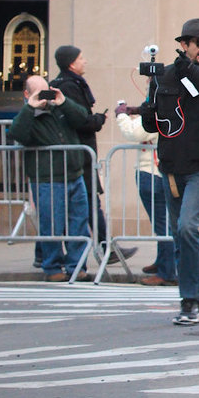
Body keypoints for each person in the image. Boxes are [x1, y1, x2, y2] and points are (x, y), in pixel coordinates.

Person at [139, 17, 199, 326]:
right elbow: (151, 125)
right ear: (184, 44)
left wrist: (192, 70)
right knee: (179, 235)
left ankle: (193, 299)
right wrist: (147, 107)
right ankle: (192, 301)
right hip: (171, 166)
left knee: (187, 228)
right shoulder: (165, 77)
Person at [52, 45, 137, 267]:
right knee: (87, 203)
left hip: (79, 152)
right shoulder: (69, 86)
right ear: (71, 63)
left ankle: (102, 247)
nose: (85, 61)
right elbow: (78, 118)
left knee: (84, 203)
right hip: (78, 153)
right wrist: (96, 121)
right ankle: (102, 248)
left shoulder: (66, 84)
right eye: (81, 58)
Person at [8, 75, 92, 282]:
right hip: (48, 178)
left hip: (74, 174)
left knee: (79, 223)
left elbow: (83, 119)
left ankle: (77, 266)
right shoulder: (28, 115)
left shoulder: (59, 109)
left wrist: (64, 101)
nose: (45, 97)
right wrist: (31, 107)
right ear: (27, 94)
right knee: (51, 224)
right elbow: (17, 133)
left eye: (47, 91)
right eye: (39, 93)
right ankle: (52, 267)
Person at [115, 100, 177, 285]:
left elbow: (133, 132)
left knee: (163, 226)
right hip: (154, 171)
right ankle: (162, 263)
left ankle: (167, 272)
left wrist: (121, 115)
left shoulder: (161, 112)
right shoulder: (168, 108)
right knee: (163, 225)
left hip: (153, 172)